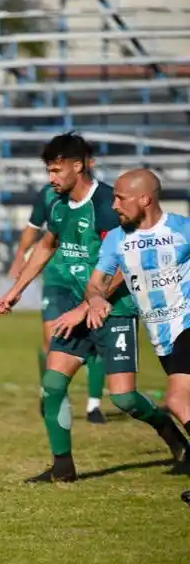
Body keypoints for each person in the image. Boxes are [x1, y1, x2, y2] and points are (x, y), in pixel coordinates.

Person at [0, 133, 188, 483]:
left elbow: (122, 267)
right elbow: (46, 245)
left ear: (78, 166)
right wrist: (16, 290)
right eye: (49, 171)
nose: (51, 178)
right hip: (75, 306)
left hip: (115, 309)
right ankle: (63, 468)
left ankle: (172, 436)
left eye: (56, 170)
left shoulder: (107, 205)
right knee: (53, 384)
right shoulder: (56, 204)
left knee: (125, 398)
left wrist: (89, 306)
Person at [88, 169, 190, 495]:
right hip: (162, 337)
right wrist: (94, 300)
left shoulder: (183, 229)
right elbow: (96, 282)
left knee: (177, 399)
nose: (114, 204)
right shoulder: (117, 239)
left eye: (120, 197)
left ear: (144, 199)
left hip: (187, 325)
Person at [9, 182, 107, 424]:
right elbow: (35, 229)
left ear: (85, 162)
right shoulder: (49, 194)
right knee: (51, 336)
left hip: (89, 279)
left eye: (56, 167)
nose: (53, 174)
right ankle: (50, 392)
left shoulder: (104, 197)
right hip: (56, 278)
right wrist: (21, 255)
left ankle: (94, 405)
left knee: (95, 340)